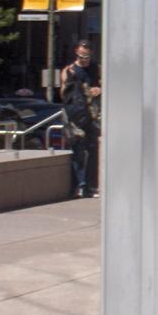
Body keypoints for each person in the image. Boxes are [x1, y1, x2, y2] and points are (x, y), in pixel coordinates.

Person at [61, 40, 101, 198]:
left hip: (92, 115)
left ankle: (91, 186)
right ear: (76, 53)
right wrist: (70, 84)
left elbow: (106, 85)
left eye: (86, 56)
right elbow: (63, 95)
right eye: (81, 55)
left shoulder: (96, 69)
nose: (84, 59)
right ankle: (79, 185)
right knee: (78, 151)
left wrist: (99, 89)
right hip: (76, 117)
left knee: (93, 151)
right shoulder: (69, 70)